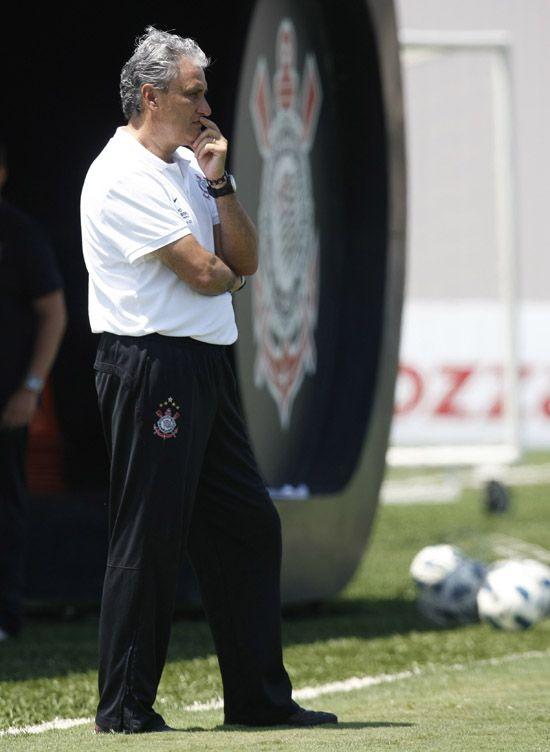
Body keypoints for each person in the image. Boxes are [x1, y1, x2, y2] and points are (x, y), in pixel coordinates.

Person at [80, 27, 337, 733]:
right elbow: (204, 272)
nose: (206, 108)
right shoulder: (121, 174)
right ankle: (123, 708)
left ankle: (258, 701)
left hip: (205, 365)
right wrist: (230, 277)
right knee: (152, 533)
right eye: (193, 94)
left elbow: (242, 259)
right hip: (151, 363)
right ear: (151, 96)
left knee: (248, 526)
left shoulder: (195, 166)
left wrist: (220, 184)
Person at [0, 140, 67, 642]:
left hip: (7, 399)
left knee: (6, 504)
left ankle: (5, 615)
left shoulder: (19, 233)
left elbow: (54, 314)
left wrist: (30, 387)